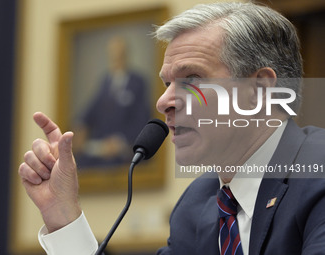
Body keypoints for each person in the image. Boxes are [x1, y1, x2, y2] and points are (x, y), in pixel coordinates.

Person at [18, 2, 325, 255]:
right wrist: (63, 217)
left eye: (191, 79)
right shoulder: (198, 203)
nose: (164, 101)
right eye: (166, 83)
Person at [73, 36, 150, 168]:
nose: (116, 59)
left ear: (125, 55)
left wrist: (121, 142)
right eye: (113, 55)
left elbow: (142, 119)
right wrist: (80, 126)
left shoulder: (138, 82)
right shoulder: (105, 82)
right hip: (102, 145)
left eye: (119, 55)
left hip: (124, 147)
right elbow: (91, 110)